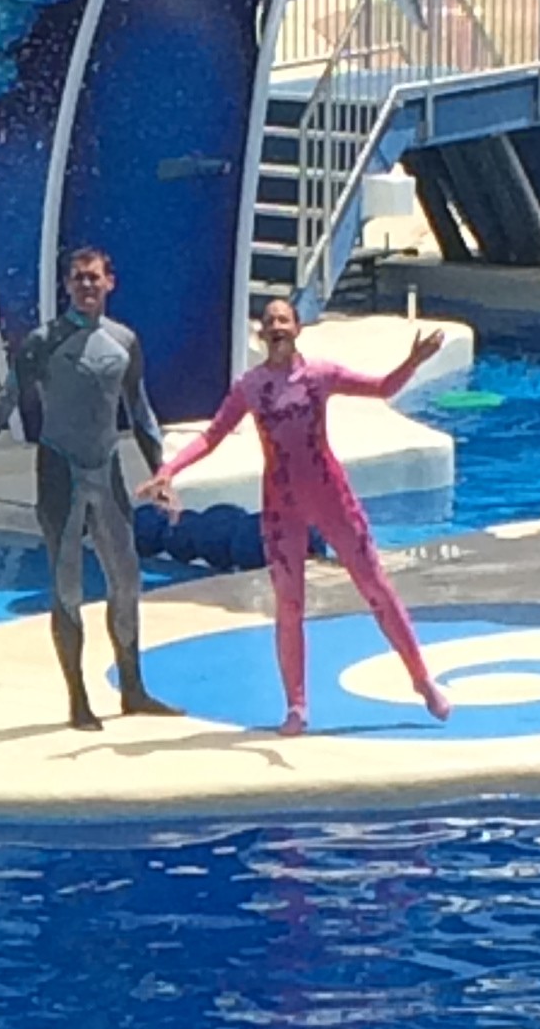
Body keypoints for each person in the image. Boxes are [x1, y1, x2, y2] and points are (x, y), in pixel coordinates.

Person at [139, 300, 451, 737]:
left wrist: (413, 361)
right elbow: (212, 436)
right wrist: (169, 469)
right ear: (262, 334)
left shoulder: (320, 374)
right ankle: (297, 705)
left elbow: (382, 388)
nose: (276, 327)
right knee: (289, 605)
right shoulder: (251, 386)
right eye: (269, 322)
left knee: (375, 586)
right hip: (282, 504)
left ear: (297, 328)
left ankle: (420, 678)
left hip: (330, 496)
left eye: (283, 320)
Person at [0, 247, 178, 731]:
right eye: (78, 279)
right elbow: (4, 404)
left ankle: (133, 688)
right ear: (67, 286)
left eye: (93, 278)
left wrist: (162, 471)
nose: (86, 286)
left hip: (106, 470)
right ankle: (78, 699)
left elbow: (140, 412)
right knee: (68, 586)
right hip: (59, 472)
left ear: (110, 282)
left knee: (127, 580)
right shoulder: (43, 342)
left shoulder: (124, 341)